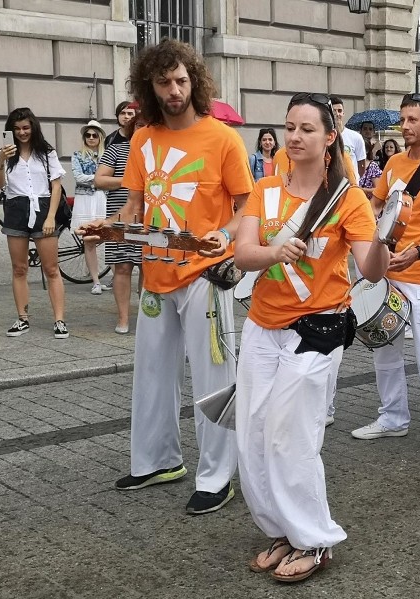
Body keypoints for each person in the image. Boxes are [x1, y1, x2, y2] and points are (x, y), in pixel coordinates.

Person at [86, 38, 253, 514]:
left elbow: (247, 208)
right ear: (151, 87)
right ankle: (157, 460)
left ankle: (219, 475)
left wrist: (226, 233)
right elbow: (136, 207)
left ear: (193, 81)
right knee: (152, 375)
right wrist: (108, 227)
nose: (174, 89)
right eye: (164, 82)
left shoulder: (222, 139)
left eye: (181, 80)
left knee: (214, 377)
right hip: (155, 273)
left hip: (205, 275)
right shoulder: (142, 139)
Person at [235, 92, 389, 583]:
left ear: (329, 138)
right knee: (253, 436)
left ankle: (315, 540)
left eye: (306, 128)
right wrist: (275, 251)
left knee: (291, 437)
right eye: (290, 127)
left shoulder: (350, 199)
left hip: (317, 329)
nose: (295, 136)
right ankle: (281, 528)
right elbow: (242, 254)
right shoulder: (264, 191)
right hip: (262, 325)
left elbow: (369, 267)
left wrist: (386, 243)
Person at [350, 92, 420, 459]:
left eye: (413, 119)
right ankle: (393, 418)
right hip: (389, 269)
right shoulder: (395, 162)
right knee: (384, 347)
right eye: (403, 119)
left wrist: (417, 251)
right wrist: (373, 230)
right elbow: (377, 202)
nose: (406, 126)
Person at [0, 107, 69, 339]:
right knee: (19, 268)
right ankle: (22, 318)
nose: (21, 132)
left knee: (51, 268)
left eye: (26, 127)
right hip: (16, 208)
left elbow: (56, 186)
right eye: (16, 129)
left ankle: (59, 319)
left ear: (33, 127)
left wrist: (50, 217)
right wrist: (0, 160)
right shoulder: (5, 153)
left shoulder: (46, 152)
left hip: (43, 208)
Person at [94, 108, 146, 334]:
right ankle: (123, 318)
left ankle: (147, 317)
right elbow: (99, 180)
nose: (143, 130)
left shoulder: (157, 153)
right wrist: (128, 180)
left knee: (148, 268)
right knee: (123, 268)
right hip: (119, 216)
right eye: (139, 126)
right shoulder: (116, 150)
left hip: (148, 219)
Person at [71, 119, 107, 294]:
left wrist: (95, 179)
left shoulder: (107, 155)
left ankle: (116, 276)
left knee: (109, 237)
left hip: (103, 198)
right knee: (89, 240)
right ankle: (96, 281)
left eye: (94, 135)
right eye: (88, 135)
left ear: (100, 137)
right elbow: (78, 176)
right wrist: (98, 179)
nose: (91, 138)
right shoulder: (78, 155)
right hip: (85, 200)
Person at [330, 96, 365, 179]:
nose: (337, 114)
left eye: (339, 111)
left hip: (351, 184)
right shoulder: (325, 137)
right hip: (333, 183)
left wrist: (355, 178)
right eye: (334, 111)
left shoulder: (356, 137)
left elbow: (362, 165)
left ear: (343, 113)